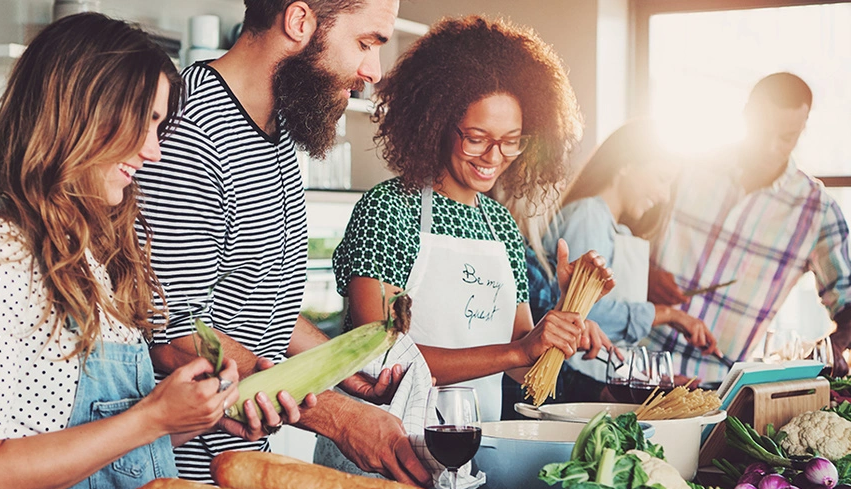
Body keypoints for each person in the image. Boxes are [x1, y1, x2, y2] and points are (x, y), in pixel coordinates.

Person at [0, 14, 293, 489]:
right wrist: (153, 417)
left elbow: (106, 433)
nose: (153, 151)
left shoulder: (91, 250)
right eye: (144, 122)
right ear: (81, 112)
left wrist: (200, 413)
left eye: (159, 126)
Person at [133, 0, 432, 486]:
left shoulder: (279, 131)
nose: (373, 71)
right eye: (365, 42)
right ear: (299, 22)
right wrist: (341, 418)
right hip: (173, 482)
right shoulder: (189, 131)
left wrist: (334, 366)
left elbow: (257, 298)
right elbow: (173, 336)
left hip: (238, 471)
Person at [331, 15, 615, 430]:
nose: (493, 157)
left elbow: (521, 367)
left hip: (470, 449)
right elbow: (378, 359)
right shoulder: (388, 210)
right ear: (437, 123)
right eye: (477, 137)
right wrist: (519, 351)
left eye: (511, 140)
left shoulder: (500, 225)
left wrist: (562, 319)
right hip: (376, 451)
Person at [647, 72, 851, 381]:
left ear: (802, 131)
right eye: (762, 131)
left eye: (786, 138)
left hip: (717, 387)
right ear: (745, 115)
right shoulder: (687, 167)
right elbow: (622, 235)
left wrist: (831, 348)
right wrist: (642, 273)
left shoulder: (817, 211)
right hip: (634, 363)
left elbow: (848, 303)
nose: (770, 147)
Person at [539, 119, 718, 400]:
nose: (664, 195)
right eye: (662, 179)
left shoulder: (614, 227)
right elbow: (583, 316)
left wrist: (647, 378)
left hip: (599, 386)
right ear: (625, 164)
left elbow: (606, 336)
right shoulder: (588, 216)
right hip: (574, 390)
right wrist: (669, 314)